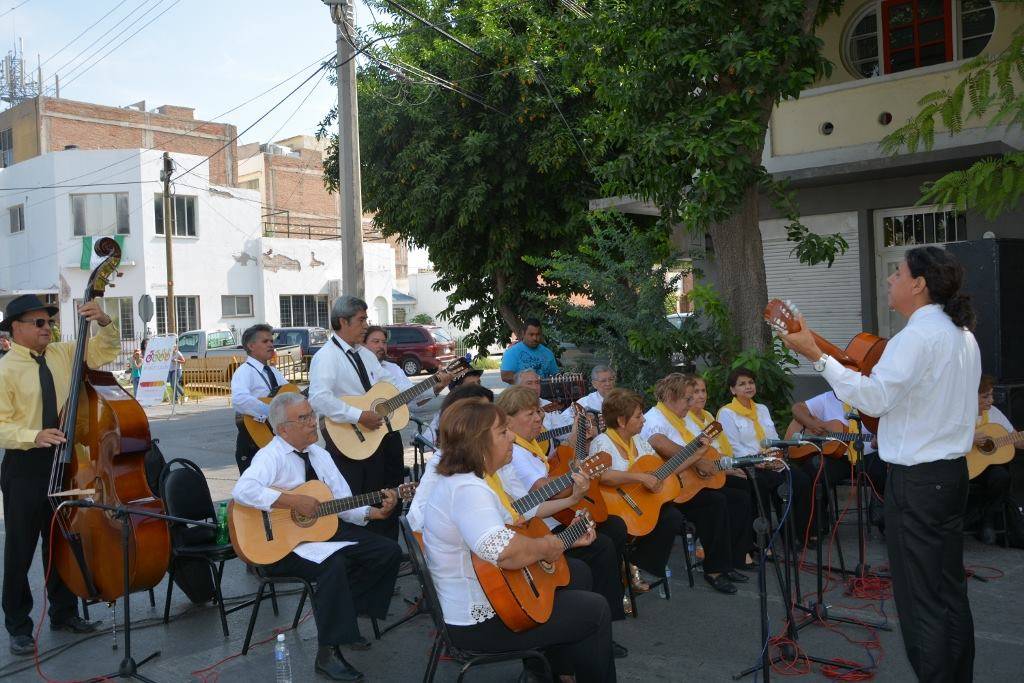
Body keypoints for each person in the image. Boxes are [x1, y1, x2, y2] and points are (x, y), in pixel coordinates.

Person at [779, 245, 981, 682]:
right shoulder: (962, 335)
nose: (890, 279)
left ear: (919, 284)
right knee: (948, 592)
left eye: (896, 273)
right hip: (950, 476)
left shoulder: (918, 336)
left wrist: (818, 356)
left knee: (920, 600)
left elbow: (874, 398)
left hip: (919, 482)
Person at [421, 399, 616, 682]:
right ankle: (559, 668)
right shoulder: (467, 489)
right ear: (478, 443)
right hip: (480, 621)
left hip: (494, 595)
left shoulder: (474, 479)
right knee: (595, 611)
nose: (512, 436)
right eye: (502, 432)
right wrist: (552, 545)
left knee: (578, 572)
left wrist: (567, 541)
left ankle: (557, 671)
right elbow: (504, 553)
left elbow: (515, 524)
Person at [233, 393, 401, 681]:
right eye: (305, 418)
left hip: (322, 531)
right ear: (283, 429)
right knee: (333, 565)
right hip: (281, 546)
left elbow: (343, 502)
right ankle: (328, 654)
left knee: (388, 552)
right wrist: (291, 502)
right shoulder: (270, 456)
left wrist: (376, 514)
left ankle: (345, 619)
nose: (314, 423)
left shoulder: (319, 455)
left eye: (312, 415)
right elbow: (243, 490)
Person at [0, 294, 119, 656]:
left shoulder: (64, 353)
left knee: (63, 540)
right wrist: (32, 435)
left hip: (64, 460)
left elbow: (105, 350)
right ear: (15, 328)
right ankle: (18, 626)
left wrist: (104, 321)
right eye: (39, 323)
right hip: (25, 465)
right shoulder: (5, 369)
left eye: (49, 322)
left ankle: (64, 614)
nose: (47, 328)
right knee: (20, 548)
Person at [495, 386, 629, 657]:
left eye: (539, 412)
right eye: (531, 413)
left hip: (542, 521)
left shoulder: (530, 446)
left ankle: (606, 613)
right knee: (602, 545)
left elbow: (554, 473)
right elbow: (541, 491)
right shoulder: (514, 454)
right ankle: (594, 625)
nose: (539, 418)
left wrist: (575, 456)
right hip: (535, 531)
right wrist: (573, 491)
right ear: (507, 421)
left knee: (611, 529)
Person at [642, 373, 752, 595]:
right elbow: (661, 445)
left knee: (741, 494)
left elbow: (705, 450)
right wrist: (697, 458)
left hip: (690, 480)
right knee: (715, 502)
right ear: (672, 396)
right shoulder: (654, 418)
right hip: (670, 487)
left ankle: (734, 558)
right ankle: (714, 569)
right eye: (688, 399)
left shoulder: (682, 417)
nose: (692, 403)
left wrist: (721, 465)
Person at [308, 296, 404, 540]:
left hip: (374, 442)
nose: (366, 324)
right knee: (356, 502)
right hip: (348, 443)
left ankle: (384, 552)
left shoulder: (365, 354)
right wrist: (359, 415)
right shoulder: (327, 356)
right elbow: (319, 398)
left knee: (381, 498)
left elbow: (390, 386)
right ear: (343, 321)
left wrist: (431, 385)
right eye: (361, 320)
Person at [591, 388, 686, 590]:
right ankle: (625, 573)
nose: (643, 419)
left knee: (672, 516)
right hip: (614, 508)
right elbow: (603, 476)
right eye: (638, 416)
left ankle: (638, 563)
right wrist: (639, 477)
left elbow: (660, 469)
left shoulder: (639, 441)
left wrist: (695, 454)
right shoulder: (602, 442)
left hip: (640, 505)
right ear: (621, 421)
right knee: (618, 528)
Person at [716, 367, 813, 548]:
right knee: (762, 483)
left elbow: (773, 437)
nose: (748, 387)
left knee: (801, 481)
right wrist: (759, 461)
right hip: (749, 464)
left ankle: (794, 536)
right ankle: (762, 541)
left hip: (771, 461)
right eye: (742, 384)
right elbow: (734, 446)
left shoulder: (762, 409)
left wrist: (776, 456)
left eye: (751, 382)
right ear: (732, 390)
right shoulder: (727, 413)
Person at [792, 390, 887, 531]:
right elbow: (797, 408)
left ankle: (884, 518)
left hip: (869, 455)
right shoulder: (827, 398)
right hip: (838, 457)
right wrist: (812, 424)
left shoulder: (872, 398)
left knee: (886, 471)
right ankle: (816, 526)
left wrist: (882, 437)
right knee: (816, 470)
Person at [407, 383, 496, 533]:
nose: (490, 418)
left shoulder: (491, 453)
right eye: (480, 412)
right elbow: (416, 518)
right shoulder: (443, 460)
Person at [968, 374, 1022, 544]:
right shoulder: (959, 413)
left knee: (1002, 476)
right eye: (985, 396)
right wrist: (969, 439)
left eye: (991, 395)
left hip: (985, 471)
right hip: (962, 465)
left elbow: (1016, 440)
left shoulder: (994, 413)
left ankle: (988, 520)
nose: (991, 400)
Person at [230, 324, 288, 474]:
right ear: (251, 346)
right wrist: (272, 411)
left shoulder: (274, 372)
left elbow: (291, 396)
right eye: (265, 341)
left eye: (271, 341)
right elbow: (240, 400)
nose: (271, 344)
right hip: (253, 441)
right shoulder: (244, 372)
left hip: (274, 439)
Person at [499, 317, 559, 384]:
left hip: (544, 393)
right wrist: (527, 383)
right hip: (521, 394)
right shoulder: (512, 352)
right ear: (523, 334)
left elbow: (555, 376)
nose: (535, 338)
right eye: (531, 334)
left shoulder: (548, 353)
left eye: (538, 334)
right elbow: (505, 376)